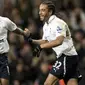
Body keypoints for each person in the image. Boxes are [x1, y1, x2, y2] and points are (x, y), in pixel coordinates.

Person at [27, 1, 82, 85]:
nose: (40, 13)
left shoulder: (58, 23)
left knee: (47, 83)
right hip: (68, 57)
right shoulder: (46, 25)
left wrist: (41, 47)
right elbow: (46, 41)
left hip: (66, 56)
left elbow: (59, 41)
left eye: (43, 10)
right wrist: (32, 40)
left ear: (50, 12)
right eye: (39, 10)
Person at [0, 16, 30, 85]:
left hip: (2, 58)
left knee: (5, 83)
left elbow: (15, 29)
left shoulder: (5, 21)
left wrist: (24, 33)